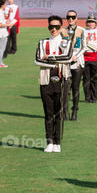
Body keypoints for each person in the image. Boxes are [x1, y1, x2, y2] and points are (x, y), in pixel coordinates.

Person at [37, 15, 75, 153]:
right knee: (48, 112)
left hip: (62, 78)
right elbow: (37, 60)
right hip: (46, 79)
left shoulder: (67, 42)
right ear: (48, 27)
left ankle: (58, 141)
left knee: (59, 112)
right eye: (51, 27)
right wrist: (57, 60)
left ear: (61, 27)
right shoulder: (42, 43)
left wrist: (50, 58)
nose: (54, 29)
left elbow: (68, 57)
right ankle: (49, 141)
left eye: (57, 27)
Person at [63, 9, 86, 120]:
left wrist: (76, 56)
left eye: (73, 17)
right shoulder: (63, 31)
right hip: (66, 62)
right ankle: (65, 111)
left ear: (77, 18)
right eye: (68, 17)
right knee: (65, 89)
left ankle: (75, 111)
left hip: (77, 61)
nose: (70, 19)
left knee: (75, 88)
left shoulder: (81, 30)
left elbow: (84, 46)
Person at [81, 14, 97, 104]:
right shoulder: (83, 31)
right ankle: (87, 97)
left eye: (92, 22)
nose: (90, 24)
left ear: (95, 24)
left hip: (95, 58)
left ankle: (94, 97)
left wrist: (88, 43)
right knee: (86, 79)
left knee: (95, 79)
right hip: (85, 58)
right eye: (89, 22)